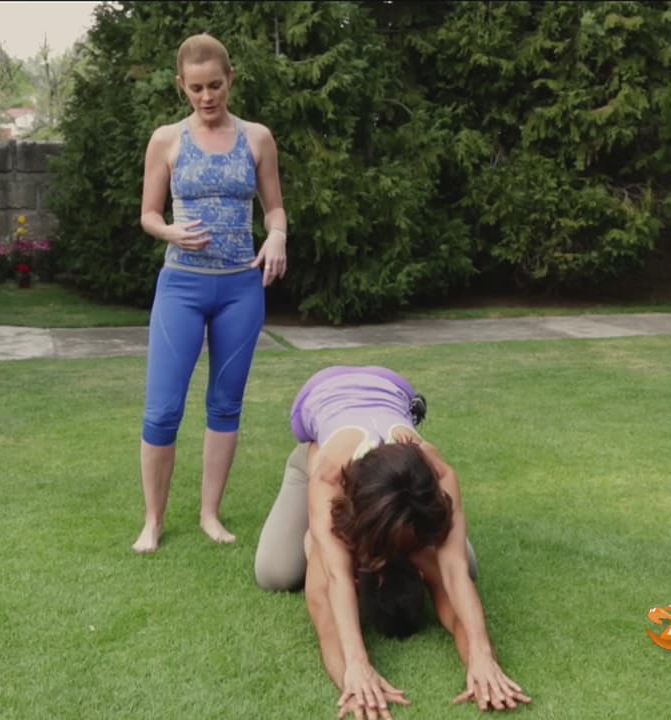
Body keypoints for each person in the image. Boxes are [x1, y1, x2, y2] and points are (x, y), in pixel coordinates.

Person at [255, 366, 531, 718]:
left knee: (463, 564)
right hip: (318, 418)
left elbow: (456, 575)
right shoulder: (329, 476)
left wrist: (483, 658)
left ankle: (392, 547)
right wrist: (355, 668)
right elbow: (334, 585)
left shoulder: (440, 474)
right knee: (275, 572)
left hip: (391, 389)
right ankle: (322, 538)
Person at [134, 33, 288, 553]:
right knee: (161, 409)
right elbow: (149, 215)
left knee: (225, 405)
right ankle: (153, 521)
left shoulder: (258, 138)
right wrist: (170, 231)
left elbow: (273, 208)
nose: (207, 97)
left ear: (231, 80)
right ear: (182, 85)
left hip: (241, 289)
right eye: (196, 88)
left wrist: (279, 237)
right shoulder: (167, 140)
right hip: (181, 286)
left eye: (215, 85)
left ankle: (209, 514)